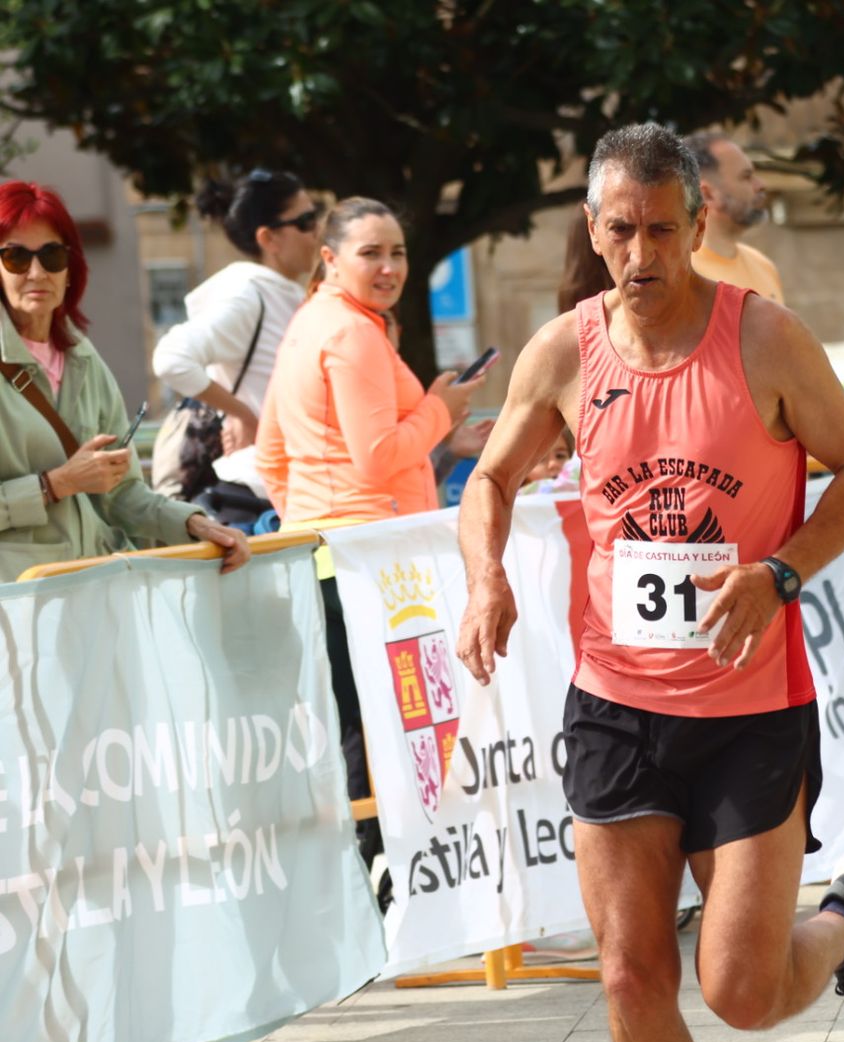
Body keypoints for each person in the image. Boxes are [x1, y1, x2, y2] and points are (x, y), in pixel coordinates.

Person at [455, 123, 844, 1042]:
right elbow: (490, 481)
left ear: (697, 220)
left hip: (751, 708)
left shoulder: (765, 337)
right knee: (629, 975)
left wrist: (779, 573)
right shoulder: (563, 352)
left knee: (741, 991)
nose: (641, 254)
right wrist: (486, 578)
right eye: (622, 231)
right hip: (617, 706)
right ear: (593, 229)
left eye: (663, 230)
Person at [256, 196, 485, 881]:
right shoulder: (352, 334)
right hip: (366, 561)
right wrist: (442, 410)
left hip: (330, 554)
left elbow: (273, 457)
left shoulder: (314, 324)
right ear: (329, 259)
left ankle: (374, 873)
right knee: (380, 725)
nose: (389, 267)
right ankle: (386, 873)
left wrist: (310, 519)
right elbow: (377, 455)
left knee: (361, 722)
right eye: (371, 253)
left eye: (399, 253)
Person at [0, 179, 248, 582]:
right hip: (19, 602)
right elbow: (72, 485)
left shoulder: (81, 356)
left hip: (97, 587)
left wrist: (195, 525)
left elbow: (122, 493)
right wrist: (54, 485)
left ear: (69, 268)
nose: (36, 272)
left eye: (51, 255)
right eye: (15, 257)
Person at [151, 169, 320, 499]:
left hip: (289, 485)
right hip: (255, 489)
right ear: (268, 238)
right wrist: (244, 415)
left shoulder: (284, 293)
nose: (316, 233)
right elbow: (172, 359)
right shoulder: (248, 293)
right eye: (305, 222)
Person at [684, 132, 784, 304]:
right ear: (708, 194)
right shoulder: (682, 277)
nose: (760, 185)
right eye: (746, 176)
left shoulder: (763, 265)